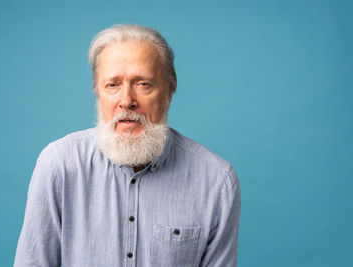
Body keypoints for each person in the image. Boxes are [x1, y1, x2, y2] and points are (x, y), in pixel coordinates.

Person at [14, 24, 241, 267]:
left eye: (142, 84)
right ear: (98, 94)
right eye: (112, 85)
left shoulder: (216, 181)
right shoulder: (58, 167)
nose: (126, 101)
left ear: (169, 92)